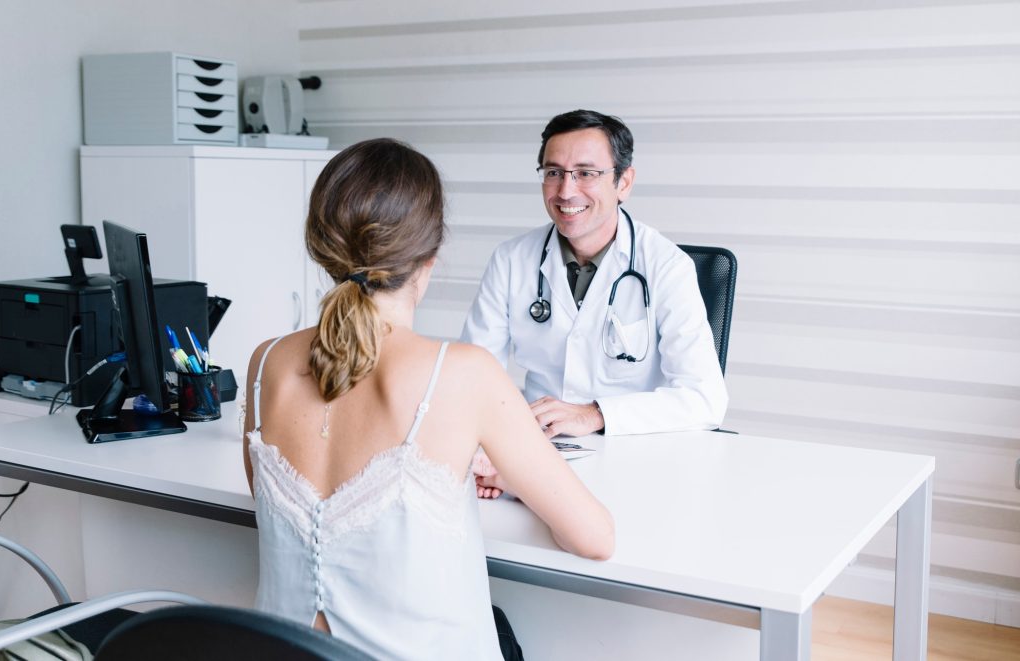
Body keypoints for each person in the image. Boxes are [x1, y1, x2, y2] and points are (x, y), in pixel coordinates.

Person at [242, 138, 614, 660]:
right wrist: (514, 476)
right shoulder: (463, 374)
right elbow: (595, 537)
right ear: (430, 256)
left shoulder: (265, 364)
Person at [461, 109, 728, 441]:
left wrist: (596, 414)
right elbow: (472, 377)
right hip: (537, 446)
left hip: (632, 446)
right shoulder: (511, 260)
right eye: (554, 172)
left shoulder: (666, 266)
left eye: (586, 173)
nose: (566, 191)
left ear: (624, 182)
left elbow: (705, 400)